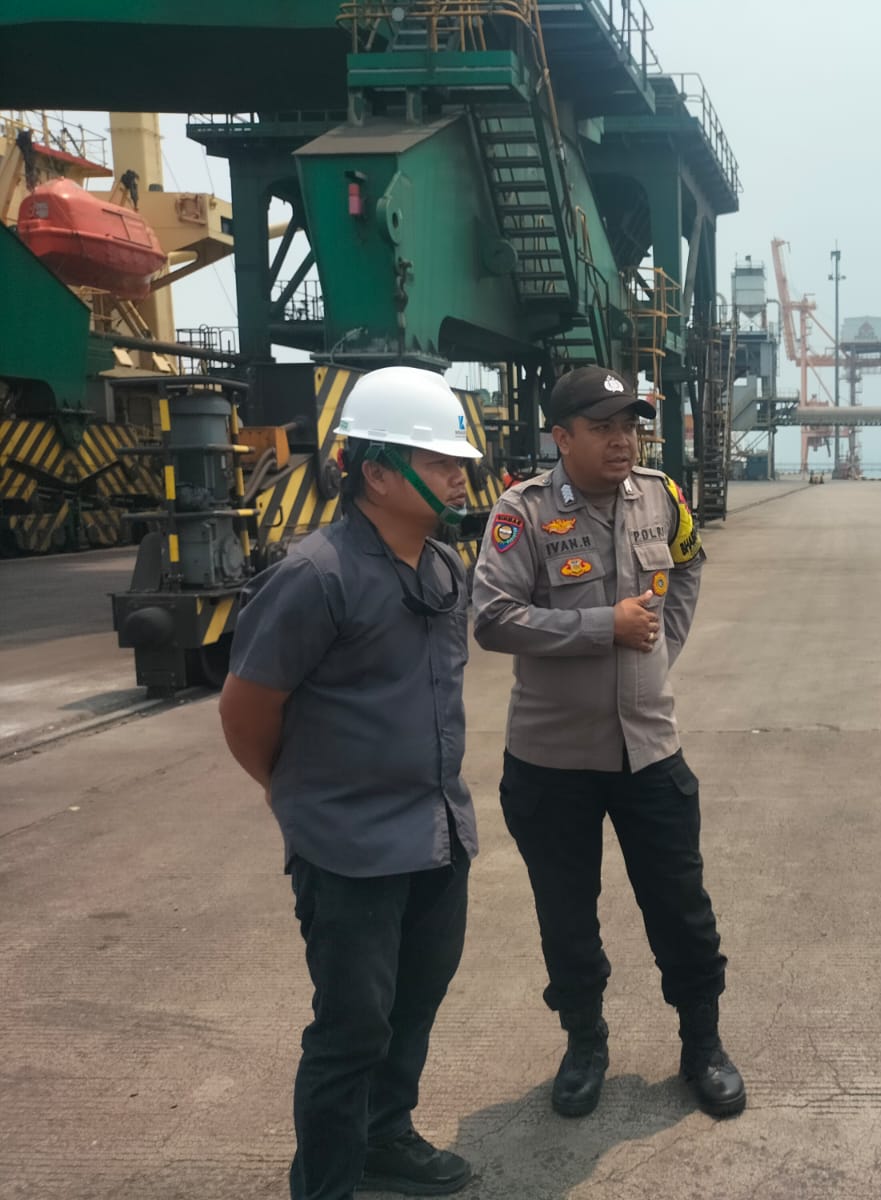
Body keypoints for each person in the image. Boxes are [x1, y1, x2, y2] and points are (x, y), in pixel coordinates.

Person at [219, 366, 483, 1199]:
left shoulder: (442, 567)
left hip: (437, 835)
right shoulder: (316, 576)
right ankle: (327, 1183)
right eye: (440, 462)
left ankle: (385, 1137)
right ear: (376, 472)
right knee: (351, 1030)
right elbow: (246, 709)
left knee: (413, 1006)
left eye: (459, 463)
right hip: (350, 850)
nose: (460, 477)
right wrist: (290, 792)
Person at [472, 366, 745, 1119]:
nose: (623, 440)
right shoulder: (522, 512)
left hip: (649, 751)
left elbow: (687, 565)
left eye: (630, 425)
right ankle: (585, 1042)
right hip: (552, 761)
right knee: (566, 916)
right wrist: (605, 629)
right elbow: (491, 617)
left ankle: (702, 1043)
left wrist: (659, 652)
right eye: (603, 427)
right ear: (562, 437)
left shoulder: (663, 496)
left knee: (682, 909)